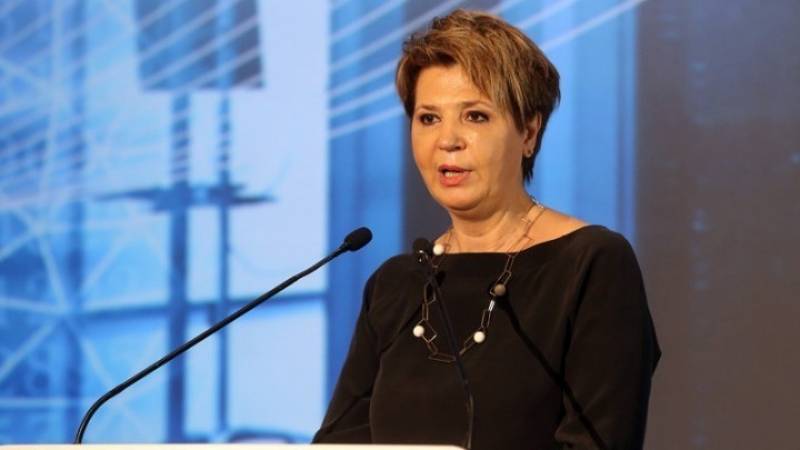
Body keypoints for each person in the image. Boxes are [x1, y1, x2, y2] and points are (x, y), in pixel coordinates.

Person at [313, 9, 660, 450]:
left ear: (528, 132)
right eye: (428, 118)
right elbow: (340, 442)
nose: (447, 140)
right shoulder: (394, 285)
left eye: (475, 116)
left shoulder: (591, 265)